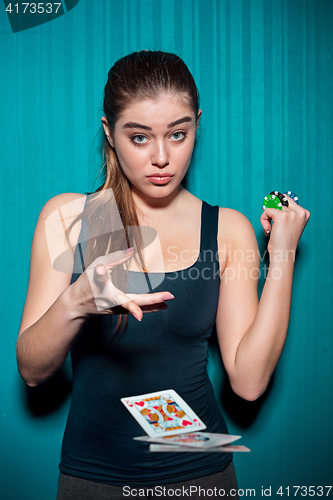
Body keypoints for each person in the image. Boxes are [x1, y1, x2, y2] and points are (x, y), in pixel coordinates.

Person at [17, 51, 310, 499]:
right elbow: (32, 371)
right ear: (109, 134)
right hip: (91, 478)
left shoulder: (227, 229)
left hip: (200, 475)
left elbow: (249, 383)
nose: (161, 158)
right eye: (139, 138)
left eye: (178, 134)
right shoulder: (69, 219)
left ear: (197, 125)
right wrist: (75, 303)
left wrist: (283, 254)